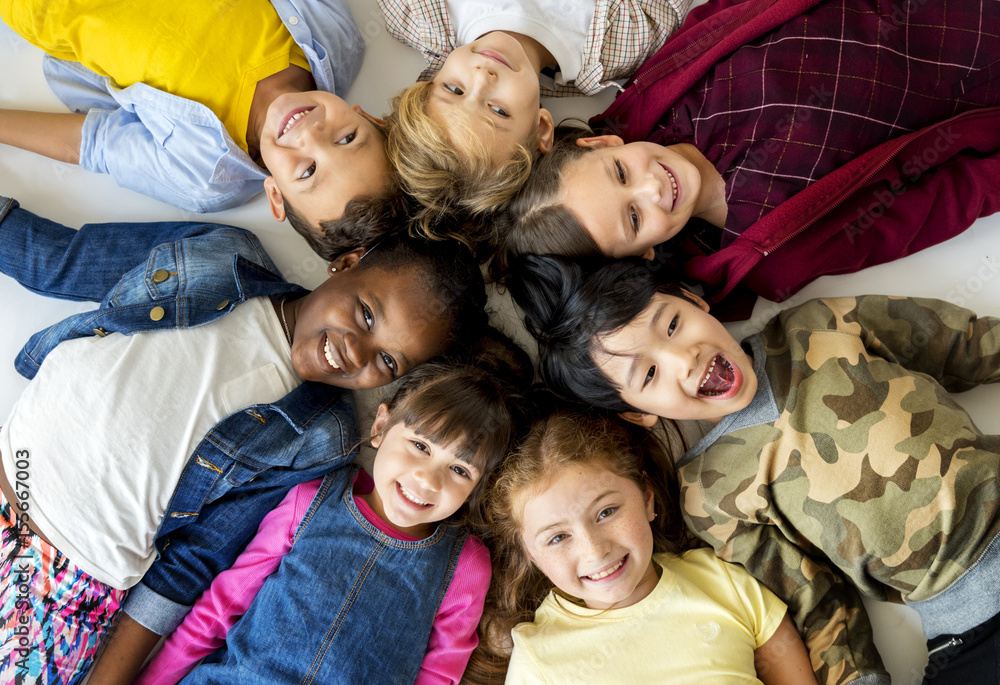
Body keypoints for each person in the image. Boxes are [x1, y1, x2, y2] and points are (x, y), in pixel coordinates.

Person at [0, 195, 489, 684]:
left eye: (387, 362)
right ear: (347, 263)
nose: (357, 352)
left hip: (64, 581)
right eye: (365, 315)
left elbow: (196, 559)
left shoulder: (322, 436)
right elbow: (63, 260)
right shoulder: (223, 254)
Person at [508, 253, 1000, 684]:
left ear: (693, 300)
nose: (684, 359)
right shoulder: (707, 495)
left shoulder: (819, 325)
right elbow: (816, 600)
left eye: (673, 324)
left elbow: (968, 346)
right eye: (650, 373)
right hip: (966, 625)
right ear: (638, 413)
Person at [495, 0, 1000, 317]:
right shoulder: (772, 253)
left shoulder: (667, 91)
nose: (651, 188)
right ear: (642, 255)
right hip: (982, 79)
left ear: (602, 145)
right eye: (633, 218)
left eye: (621, 174)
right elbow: (939, 204)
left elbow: (727, 11)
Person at [132, 354, 533, 685]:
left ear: (478, 490)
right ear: (380, 427)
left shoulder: (464, 564)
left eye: (460, 470)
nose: (427, 479)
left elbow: (439, 674)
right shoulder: (309, 501)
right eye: (419, 445)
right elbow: (219, 609)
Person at [0, 0, 394, 247]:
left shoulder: (205, 176)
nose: (311, 136)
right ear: (366, 115)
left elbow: (93, 144)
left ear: (276, 195)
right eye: (347, 139)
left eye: (308, 171)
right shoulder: (336, 40)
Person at [480, 404, 817, 684]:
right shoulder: (538, 660)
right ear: (532, 556)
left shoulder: (724, 582)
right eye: (557, 537)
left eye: (607, 512)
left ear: (647, 499)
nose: (594, 550)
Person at [379, 0, 691, 243]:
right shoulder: (621, 42)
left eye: (454, 89)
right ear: (542, 128)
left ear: (429, 81)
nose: (482, 77)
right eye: (499, 111)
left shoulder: (419, 14)